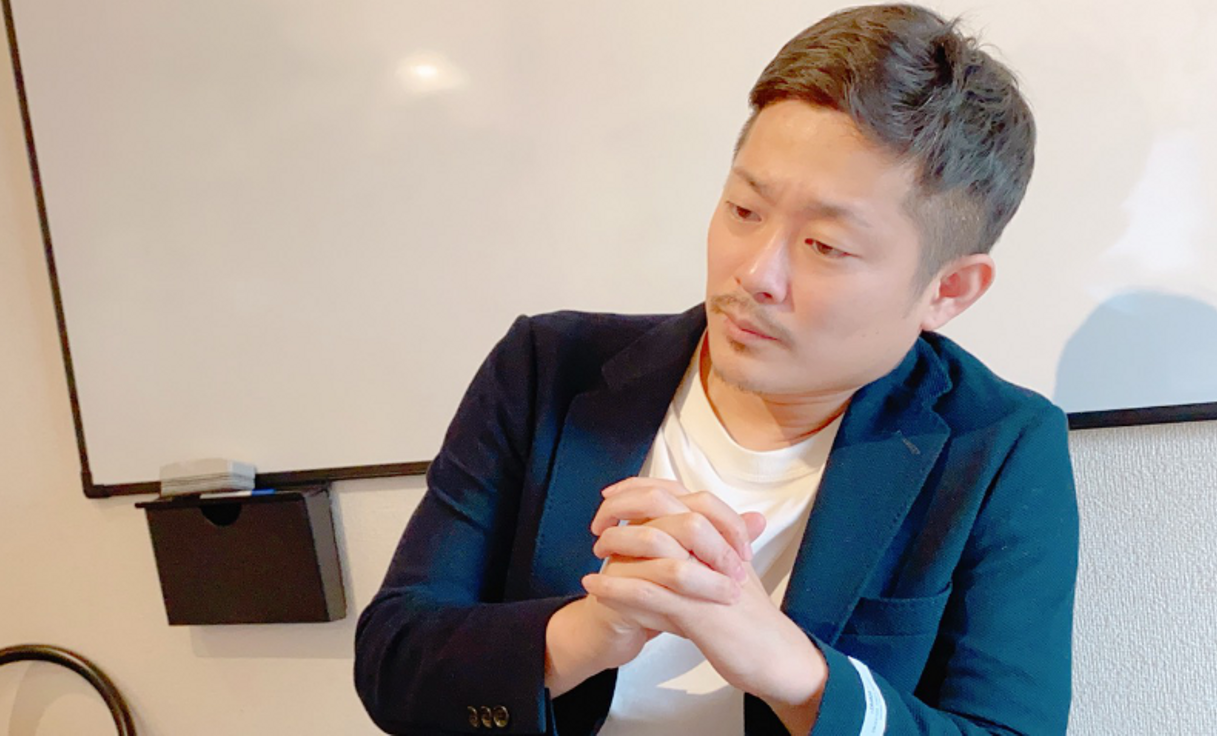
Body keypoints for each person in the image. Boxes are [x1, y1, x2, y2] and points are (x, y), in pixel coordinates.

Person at [354, 4, 1078, 735]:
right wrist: (586, 632)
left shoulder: (997, 446)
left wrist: (796, 673)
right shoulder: (548, 371)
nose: (755, 273)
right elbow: (394, 662)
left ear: (948, 290)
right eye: (743, 209)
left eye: (826, 246)